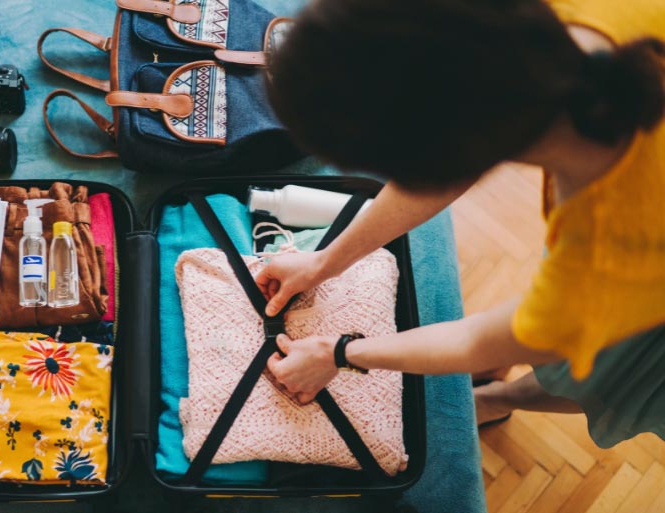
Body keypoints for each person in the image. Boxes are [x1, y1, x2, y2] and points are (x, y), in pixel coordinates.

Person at [258, 0, 665, 448]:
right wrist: (324, 263)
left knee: (613, 379)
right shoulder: (532, 47)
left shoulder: (609, 259)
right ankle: (503, 392)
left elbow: (483, 339)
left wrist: (337, 353)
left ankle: (502, 397)